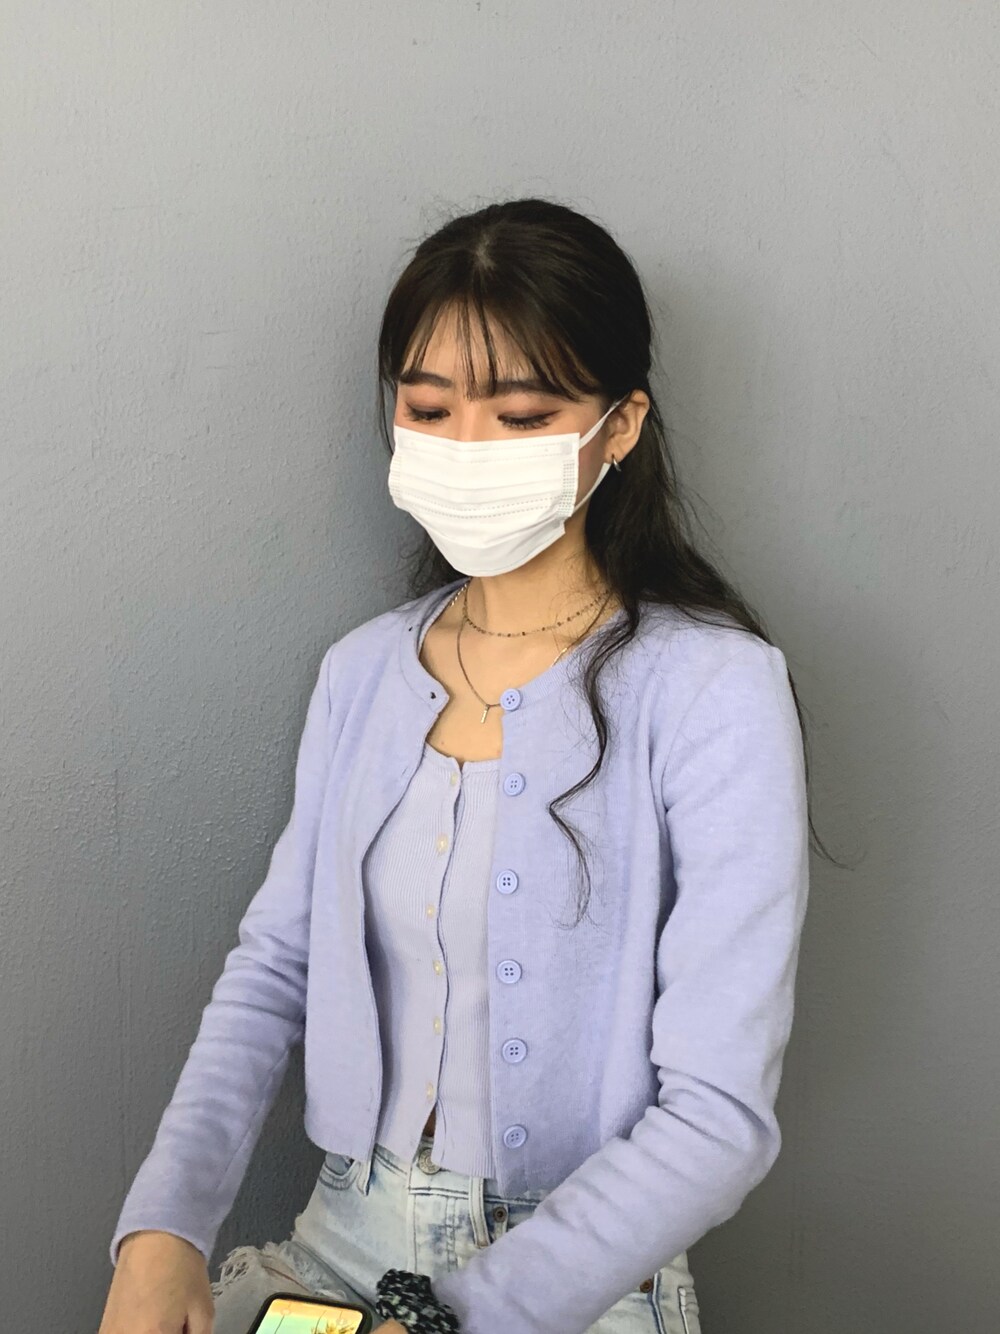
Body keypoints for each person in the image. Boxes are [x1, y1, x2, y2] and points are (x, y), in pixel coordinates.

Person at [99, 196, 822, 1334]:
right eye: (429, 409)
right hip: (336, 1243)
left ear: (620, 426)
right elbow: (274, 967)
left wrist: (462, 1317)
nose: (466, 450)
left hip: (578, 1282)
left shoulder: (713, 690)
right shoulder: (361, 671)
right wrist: (162, 1230)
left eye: (521, 414)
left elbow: (717, 1115)